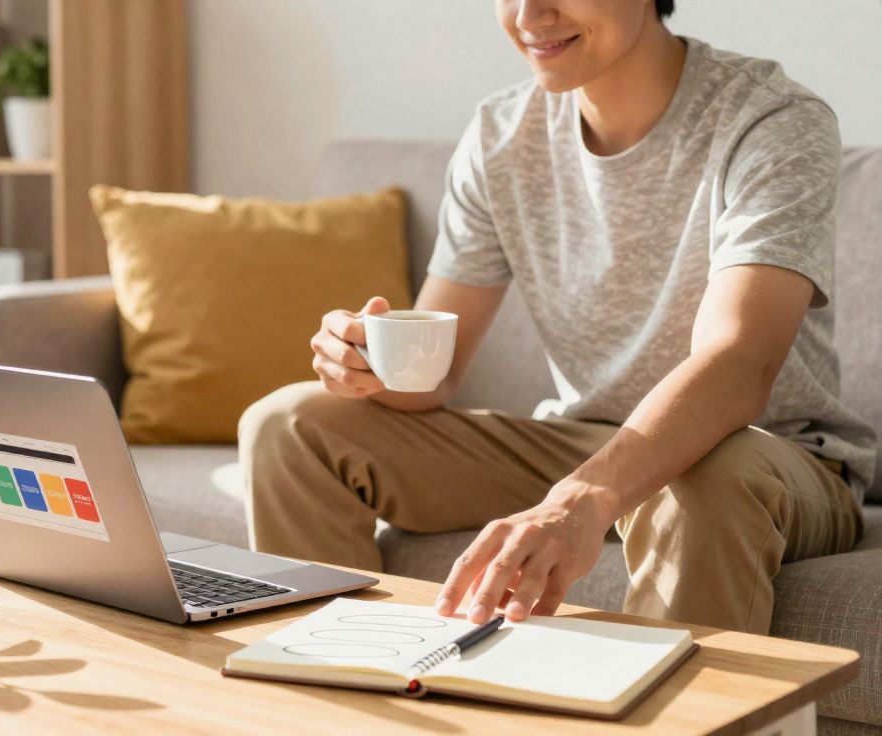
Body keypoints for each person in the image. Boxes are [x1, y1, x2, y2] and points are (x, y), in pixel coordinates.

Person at [238, 0, 876, 635]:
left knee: (697, 482)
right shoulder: (501, 135)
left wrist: (584, 498)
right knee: (290, 427)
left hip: (762, 456)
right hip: (581, 439)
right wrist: (368, 365)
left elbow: (739, 363)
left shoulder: (771, 120)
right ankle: (351, 693)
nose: (528, 15)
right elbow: (434, 377)